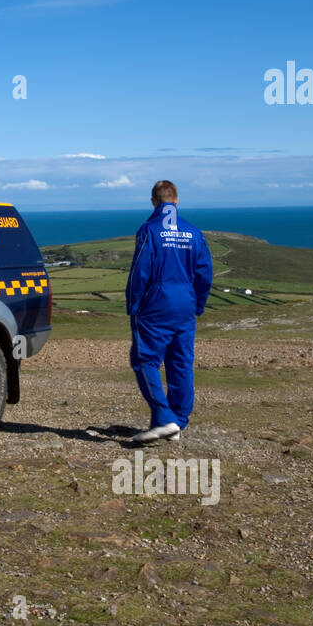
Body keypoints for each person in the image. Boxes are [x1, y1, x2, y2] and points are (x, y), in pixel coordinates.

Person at [125, 180, 213, 443]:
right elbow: (205, 273)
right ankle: (179, 420)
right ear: (176, 201)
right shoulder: (193, 233)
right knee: (181, 361)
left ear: (154, 202)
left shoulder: (149, 230)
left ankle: (164, 418)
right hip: (185, 302)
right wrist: (197, 303)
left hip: (157, 303)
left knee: (145, 360)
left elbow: (140, 271)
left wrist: (134, 304)